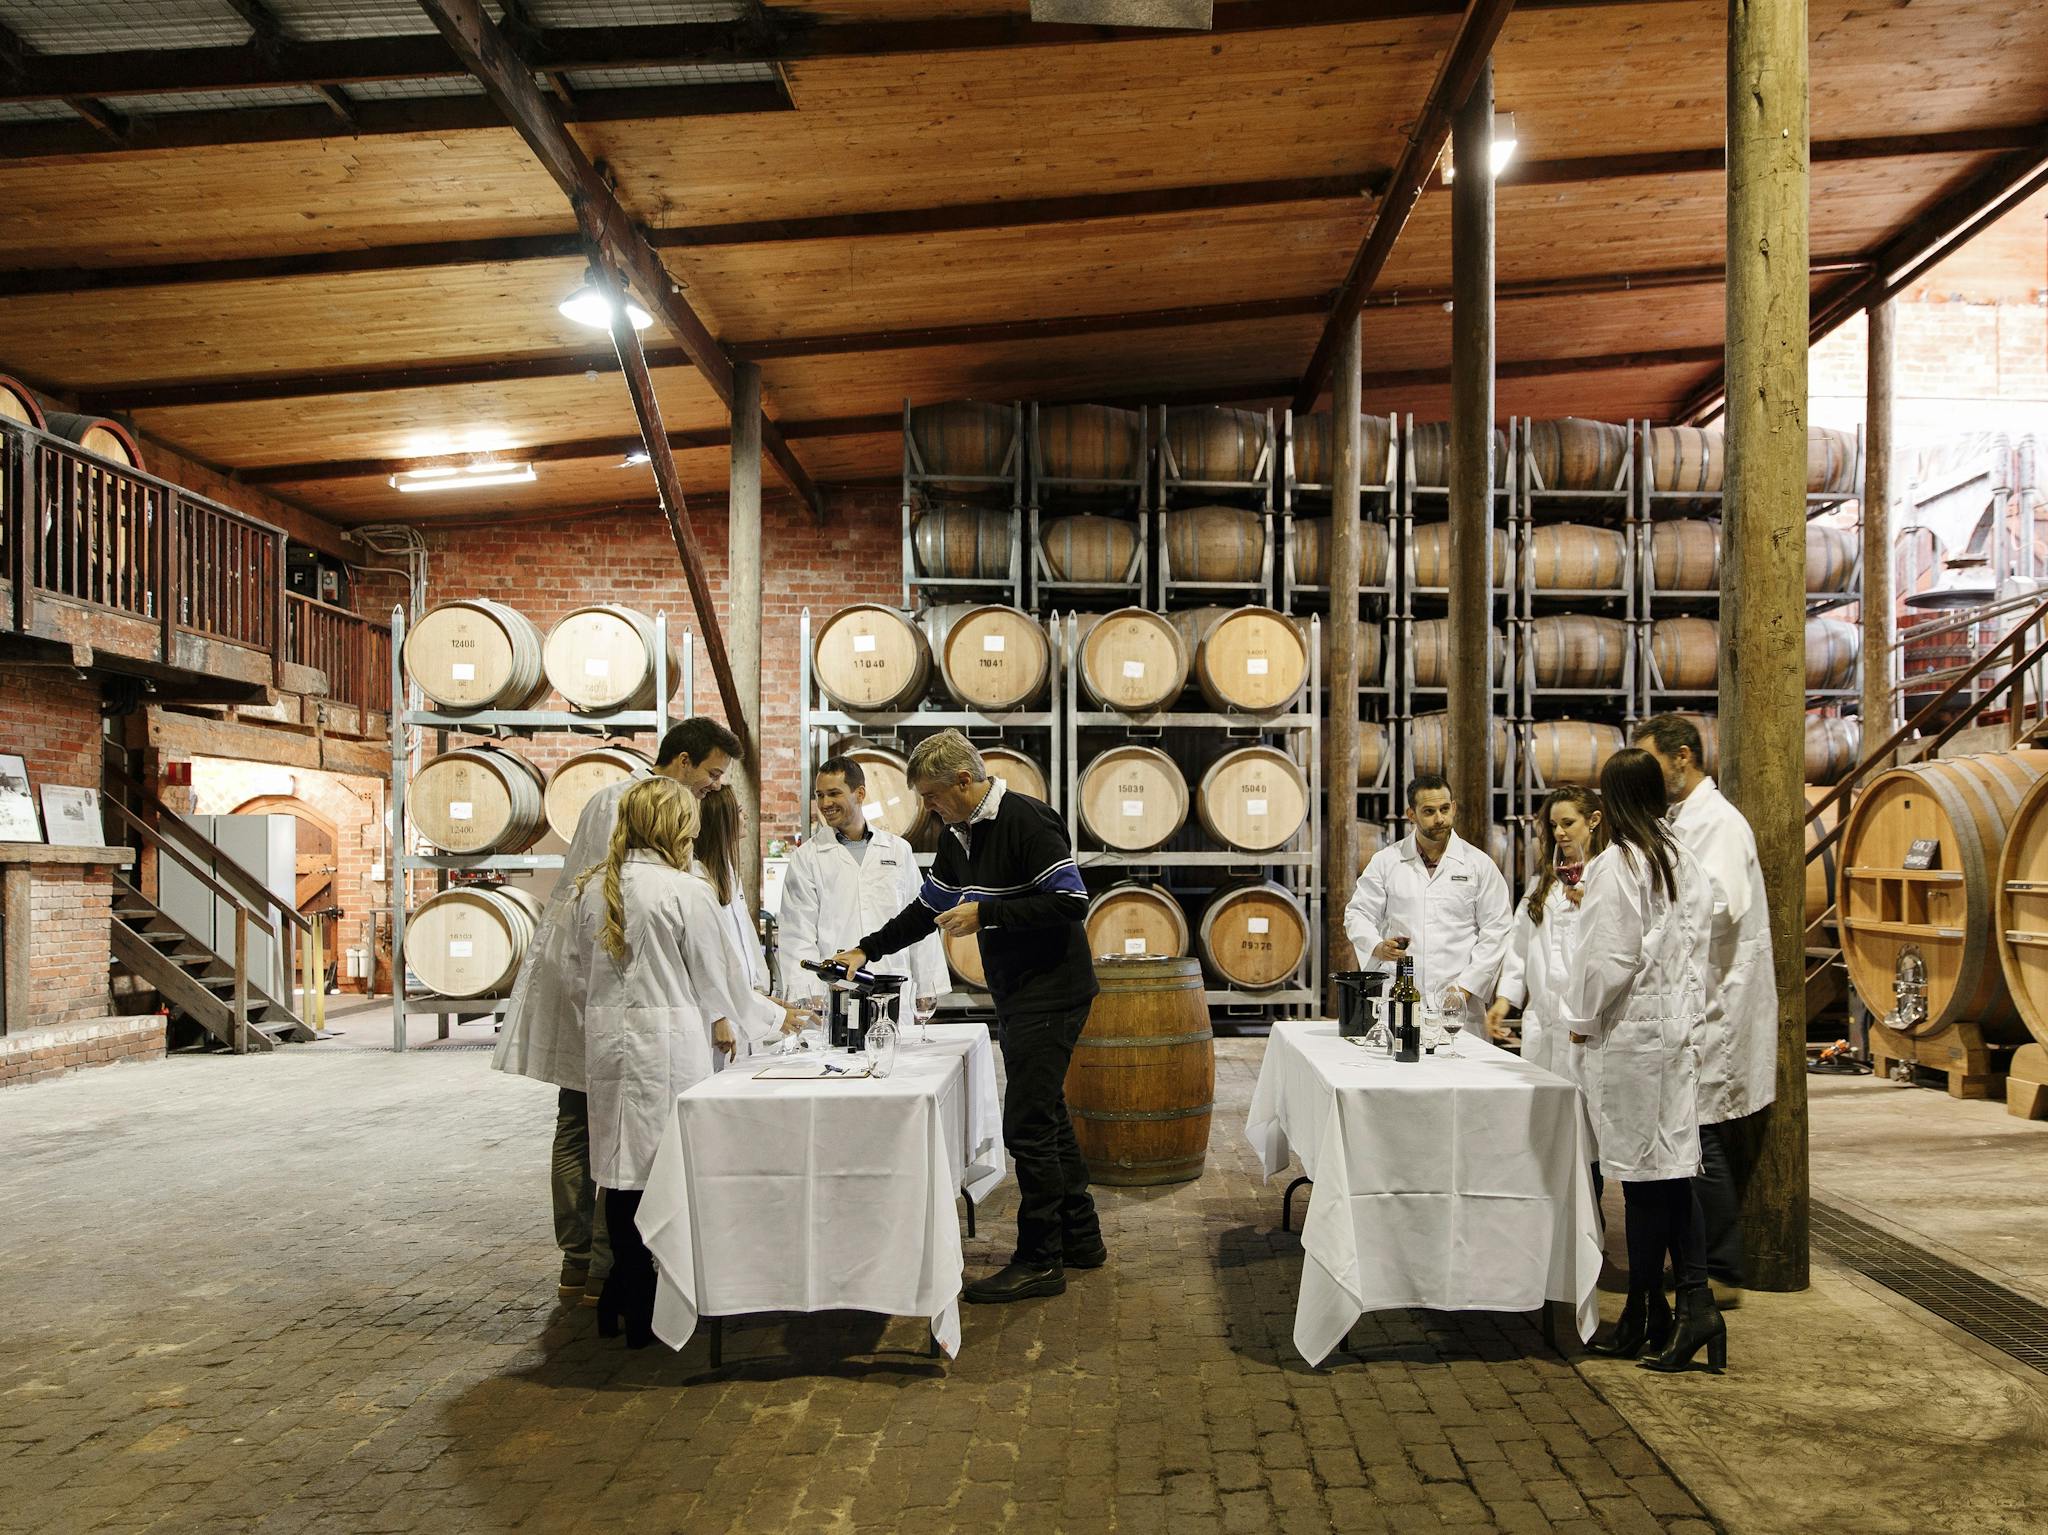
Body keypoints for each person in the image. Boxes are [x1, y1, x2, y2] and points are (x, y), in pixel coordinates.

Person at [828, 730, 1101, 1304]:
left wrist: (989, 914)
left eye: (931, 796)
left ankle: (1040, 1260)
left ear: (963, 781)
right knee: (1045, 1112)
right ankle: (1081, 1238)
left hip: (1053, 991)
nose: (926, 809)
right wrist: (865, 949)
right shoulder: (960, 832)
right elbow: (928, 908)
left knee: (1025, 1123)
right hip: (1020, 991)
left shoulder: (1028, 820)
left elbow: (1072, 902)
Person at [491, 716, 742, 1306]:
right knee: (591, 1127)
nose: (712, 787)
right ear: (680, 762)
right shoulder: (622, 807)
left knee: (613, 1136)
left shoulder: (646, 827)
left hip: (612, 993)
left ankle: (610, 1270)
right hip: (610, 990)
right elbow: (623, 906)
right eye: (709, 774)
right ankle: (592, 1265)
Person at [568, 778, 769, 1348]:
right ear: (674, 826)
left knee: (619, 1172)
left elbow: (576, 974)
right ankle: (661, 1290)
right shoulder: (683, 890)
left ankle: (623, 1290)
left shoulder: (591, 890)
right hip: (671, 1042)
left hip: (609, 1041)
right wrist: (774, 1020)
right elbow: (719, 981)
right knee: (667, 1168)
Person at [1565, 747, 1725, 1373]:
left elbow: (1608, 959)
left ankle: (1657, 1309)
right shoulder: (1681, 857)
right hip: (1676, 1036)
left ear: (1611, 803)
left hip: (1632, 1040)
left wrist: (1579, 1019)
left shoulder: (1619, 864)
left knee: (1642, 1180)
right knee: (1670, 1172)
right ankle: (1672, 1307)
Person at [1632, 714, 1777, 1307]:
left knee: (1704, 1134)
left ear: (1683, 757)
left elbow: (1718, 904)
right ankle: (1701, 1261)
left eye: (1652, 761)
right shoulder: (1684, 821)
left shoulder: (1717, 822)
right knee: (1692, 1131)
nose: (1648, 773)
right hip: (1694, 994)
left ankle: (1718, 1267)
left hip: (1716, 998)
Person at [778, 756, 946, 1030]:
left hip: (892, 980)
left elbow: (919, 917)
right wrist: (807, 994)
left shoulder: (897, 849)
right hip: (835, 990)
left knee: (896, 1060)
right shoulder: (807, 857)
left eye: (834, 794)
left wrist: (928, 984)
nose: (825, 804)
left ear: (860, 793)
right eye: (820, 795)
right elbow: (797, 932)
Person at [1344, 772, 1513, 1022]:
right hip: (1400, 996)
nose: (1440, 819)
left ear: (1454, 808)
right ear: (1411, 814)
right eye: (1429, 811)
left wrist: (1465, 988)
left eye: (1445, 809)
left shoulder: (1478, 865)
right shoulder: (1386, 861)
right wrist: (1377, 947)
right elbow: (1358, 913)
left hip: (1459, 1003)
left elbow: (1497, 929)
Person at [1489, 785, 1608, 1135]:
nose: (1559, 832)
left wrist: (1593, 906)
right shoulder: (1544, 883)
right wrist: (1504, 999)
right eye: (1554, 825)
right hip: (1542, 1022)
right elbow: (1520, 944)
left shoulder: (1607, 876)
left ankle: (1592, 1190)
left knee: (1587, 1131)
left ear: (1593, 821)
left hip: (1586, 1025)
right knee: (1546, 1128)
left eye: (1568, 823)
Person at [689, 785, 798, 1068]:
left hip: (742, 1007)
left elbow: (744, 944)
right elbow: (703, 957)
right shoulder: (698, 877)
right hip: (722, 1018)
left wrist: (762, 994)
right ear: (721, 820)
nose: (746, 816)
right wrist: (718, 1016)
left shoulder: (727, 871)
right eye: (738, 811)